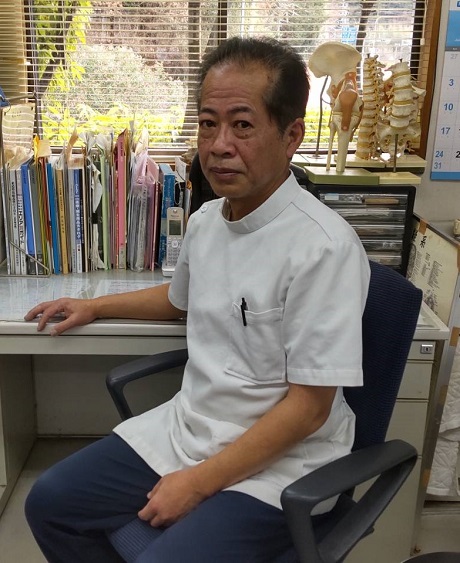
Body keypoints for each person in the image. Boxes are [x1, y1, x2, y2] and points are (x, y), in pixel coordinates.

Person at [24, 36, 370, 563]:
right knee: (50, 504)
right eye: (208, 124)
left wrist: (198, 483)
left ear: (292, 136)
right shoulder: (208, 220)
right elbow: (179, 300)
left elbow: (309, 409)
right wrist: (95, 306)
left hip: (282, 462)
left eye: (243, 125)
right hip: (189, 429)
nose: (219, 145)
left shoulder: (324, 248)